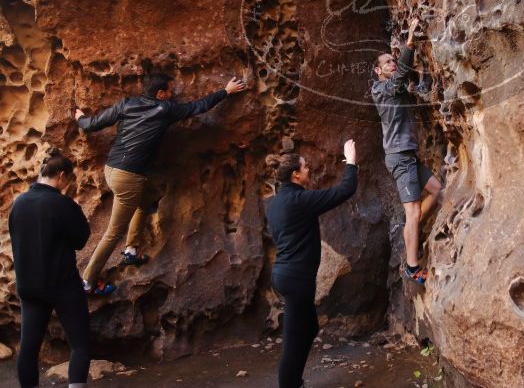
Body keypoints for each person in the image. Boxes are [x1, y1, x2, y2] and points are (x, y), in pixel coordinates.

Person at [75, 72, 246, 295]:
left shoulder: (127, 103)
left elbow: (93, 124)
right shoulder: (165, 109)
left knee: (145, 200)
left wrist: (80, 118)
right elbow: (198, 107)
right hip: (129, 177)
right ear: (160, 94)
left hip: (112, 170)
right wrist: (226, 91)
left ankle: (131, 250)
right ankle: (87, 281)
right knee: (113, 232)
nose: (172, 94)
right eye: (169, 91)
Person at [266, 140, 358, 388]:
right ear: (296, 174)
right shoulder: (299, 201)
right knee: (294, 341)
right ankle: (291, 384)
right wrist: (351, 161)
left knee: (309, 328)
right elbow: (345, 190)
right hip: (297, 280)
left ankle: (295, 380)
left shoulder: (275, 203)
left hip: (285, 275)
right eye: (305, 168)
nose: (308, 171)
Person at [9, 149, 91, 388]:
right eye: (69, 180)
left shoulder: (19, 203)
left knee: (29, 348)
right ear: (62, 175)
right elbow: (80, 240)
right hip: (62, 285)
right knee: (80, 345)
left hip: (29, 286)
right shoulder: (61, 203)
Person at [371, 18, 442, 285]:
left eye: (393, 59)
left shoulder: (388, 88)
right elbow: (400, 77)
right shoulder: (382, 90)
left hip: (407, 155)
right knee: (411, 213)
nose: (392, 63)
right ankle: (412, 267)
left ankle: (412, 227)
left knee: (437, 190)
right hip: (400, 157)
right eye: (387, 62)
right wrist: (409, 42)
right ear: (379, 71)